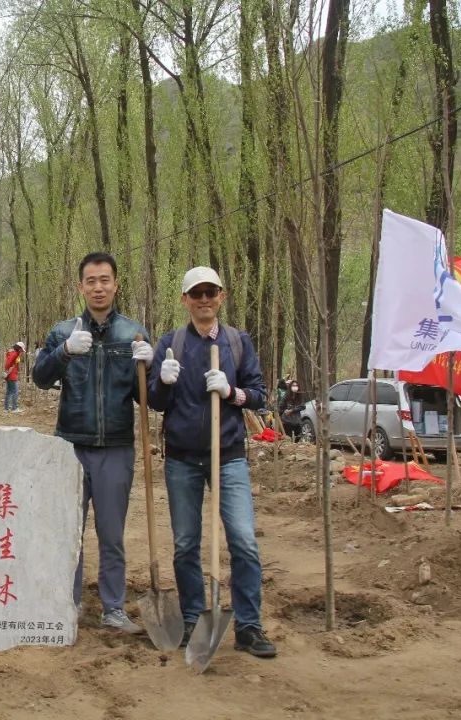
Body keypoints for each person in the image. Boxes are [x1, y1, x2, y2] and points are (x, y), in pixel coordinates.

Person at [147, 266, 277, 658]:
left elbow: (259, 394)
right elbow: (154, 402)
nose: (204, 299)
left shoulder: (238, 342)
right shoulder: (172, 344)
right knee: (186, 543)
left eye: (210, 292)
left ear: (222, 296)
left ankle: (249, 626)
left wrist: (231, 391)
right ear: (185, 300)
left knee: (243, 540)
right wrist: (162, 381)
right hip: (182, 459)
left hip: (229, 456)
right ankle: (192, 618)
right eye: (196, 293)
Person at [32, 251, 151, 634]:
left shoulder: (132, 334)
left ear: (116, 284)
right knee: (69, 531)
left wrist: (153, 369)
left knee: (111, 534)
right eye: (91, 281)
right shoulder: (63, 331)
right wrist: (64, 351)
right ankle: (67, 603)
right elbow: (39, 378)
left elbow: (147, 397)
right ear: (80, 286)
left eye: (105, 280)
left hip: (116, 446)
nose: (98, 288)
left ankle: (113, 608)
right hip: (70, 446)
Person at [3, 341, 25, 412]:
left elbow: (12, 363)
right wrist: (8, 370)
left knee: (9, 391)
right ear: (19, 348)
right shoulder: (14, 354)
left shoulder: (14, 353)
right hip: (12, 375)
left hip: (10, 375)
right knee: (15, 391)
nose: (22, 351)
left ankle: (6, 408)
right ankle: (14, 408)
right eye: (22, 349)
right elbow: (8, 363)